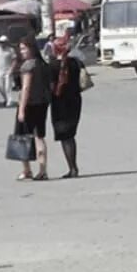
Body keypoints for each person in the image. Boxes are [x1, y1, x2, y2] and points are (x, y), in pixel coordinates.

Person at [16, 35, 52, 181]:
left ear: (31, 48)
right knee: (39, 137)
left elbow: (26, 88)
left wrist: (21, 109)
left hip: (29, 105)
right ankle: (43, 170)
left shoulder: (28, 66)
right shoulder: (43, 65)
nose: (21, 52)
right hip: (42, 104)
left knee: (22, 138)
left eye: (24, 49)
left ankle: (26, 170)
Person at [50, 37, 83, 178]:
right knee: (71, 135)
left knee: (65, 137)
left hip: (59, 103)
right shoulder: (76, 62)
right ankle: (74, 167)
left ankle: (72, 168)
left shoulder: (53, 65)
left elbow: (51, 87)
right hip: (75, 101)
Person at [0, 35, 17, 107]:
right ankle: (6, 99)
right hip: (0, 71)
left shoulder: (11, 50)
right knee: (0, 87)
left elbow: (14, 60)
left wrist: (11, 69)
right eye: (0, 42)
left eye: (3, 42)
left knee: (7, 87)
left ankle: (10, 101)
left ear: (6, 42)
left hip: (8, 71)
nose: (2, 43)